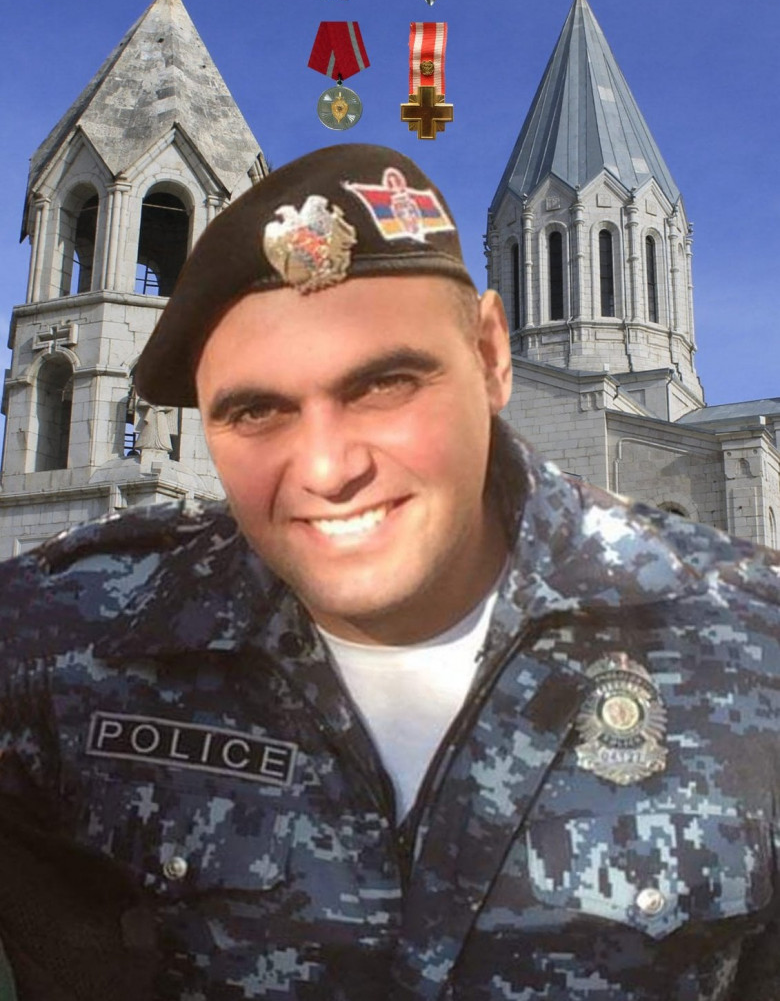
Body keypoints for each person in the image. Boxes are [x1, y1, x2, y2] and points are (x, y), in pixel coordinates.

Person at [0, 142, 779, 1001]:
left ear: (491, 355)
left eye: (384, 385)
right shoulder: (68, 636)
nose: (327, 469)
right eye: (256, 409)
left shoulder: (748, 641)